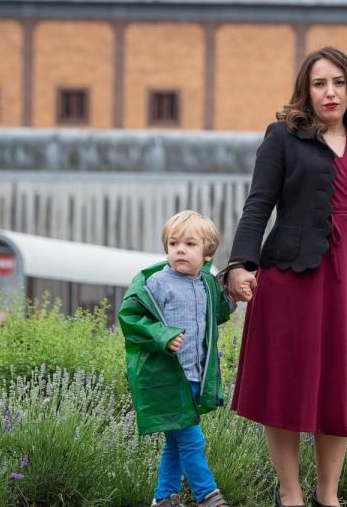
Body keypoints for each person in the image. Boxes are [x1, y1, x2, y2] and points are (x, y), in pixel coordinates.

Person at [224, 46, 347, 507]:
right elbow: (258, 204)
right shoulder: (282, 137)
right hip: (290, 281)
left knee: (336, 387)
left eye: (338, 82)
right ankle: (290, 493)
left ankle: (329, 496)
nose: (330, 92)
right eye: (320, 83)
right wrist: (241, 264)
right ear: (306, 91)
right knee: (286, 383)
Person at [118, 210, 233, 507]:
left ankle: (164, 498)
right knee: (193, 441)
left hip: (194, 377)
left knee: (175, 443)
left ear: (207, 253)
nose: (180, 249)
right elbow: (131, 318)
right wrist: (163, 335)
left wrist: (235, 296)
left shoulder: (206, 284)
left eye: (190, 244)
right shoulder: (157, 283)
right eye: (173, 243)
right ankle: (207, 495)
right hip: (167, 381)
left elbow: (217, 313)